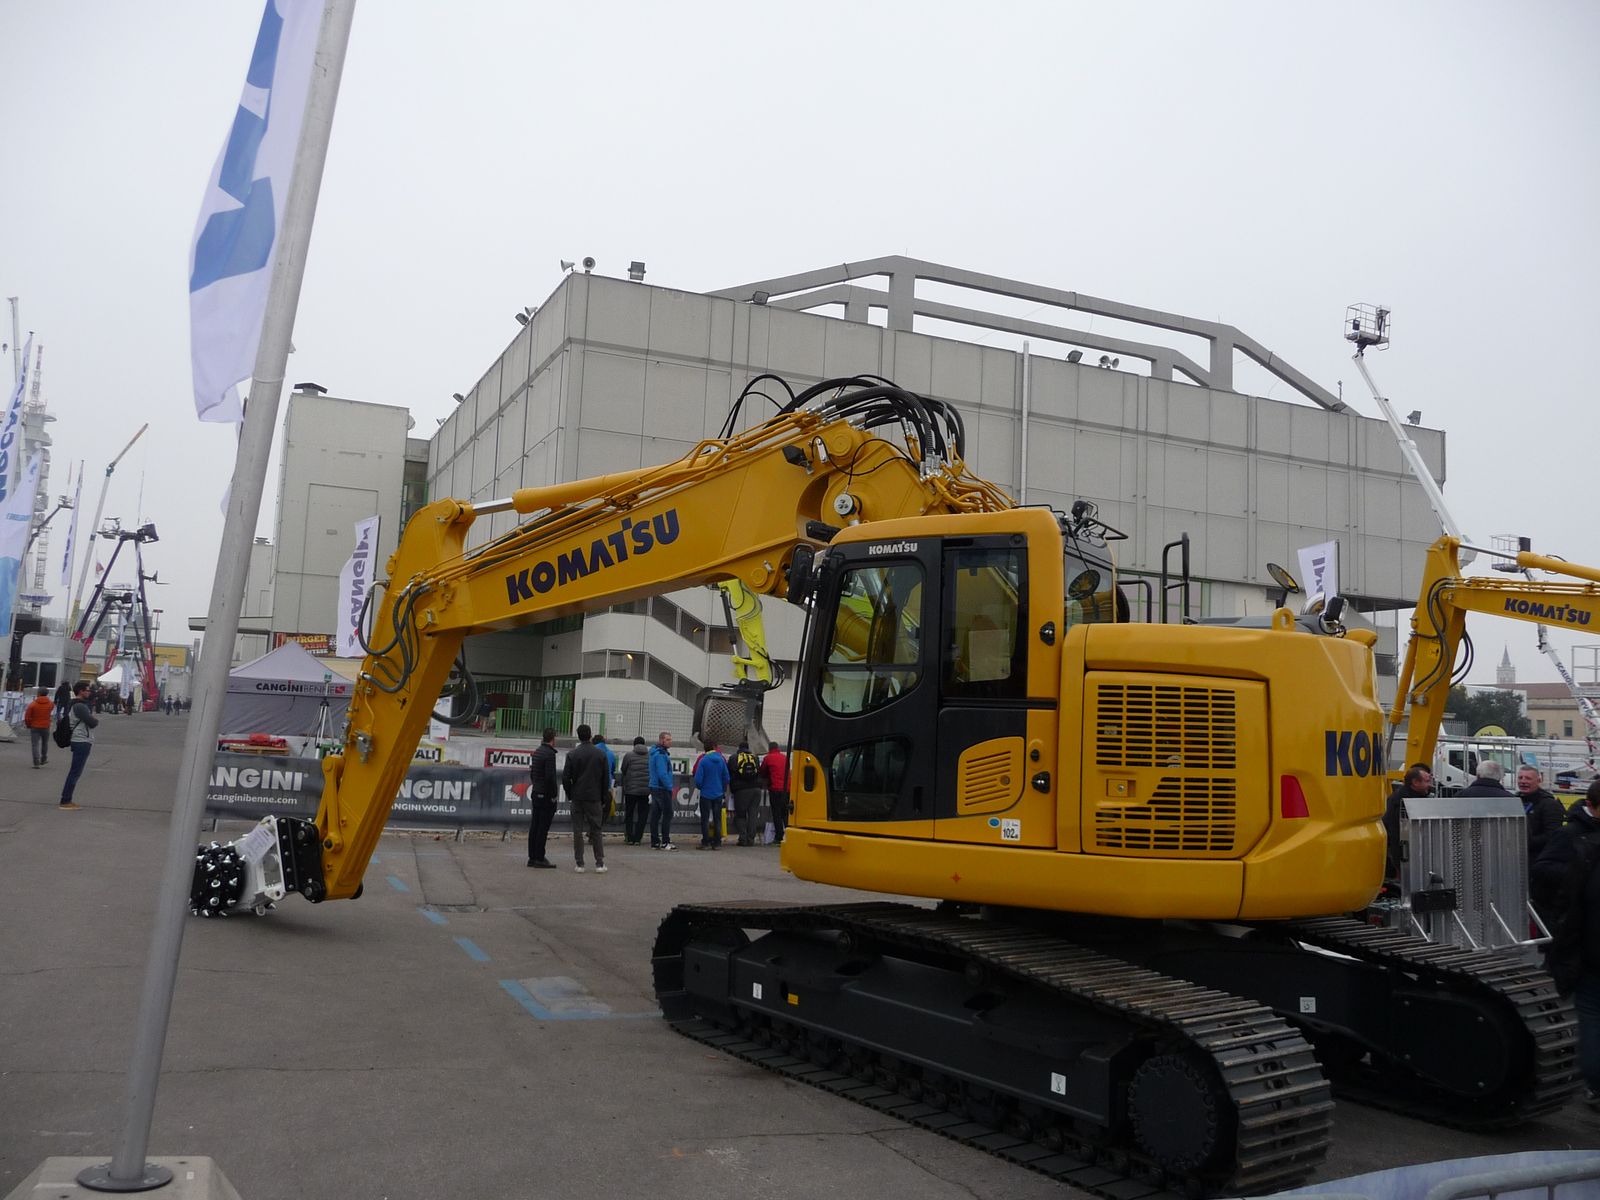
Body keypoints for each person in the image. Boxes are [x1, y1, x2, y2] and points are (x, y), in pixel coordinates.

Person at [1531, 780, 1600, 1108]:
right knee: (1588, 1011)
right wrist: (1576, 878)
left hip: (1584, 939)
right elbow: (1543, 872)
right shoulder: (1570, 834)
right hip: (1583, 943)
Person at [562, 723, 609, 873]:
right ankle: (599, 863)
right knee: (596, 830)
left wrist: (570, 794)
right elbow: (605, 779)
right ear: (590, 735)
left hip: (577, 796)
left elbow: (565, 778)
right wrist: (603, 798)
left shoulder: (572, 754)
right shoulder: (600, 754)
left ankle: (580, 863)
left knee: (577, 830)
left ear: (578, 736)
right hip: (594, 797)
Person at [1383, 763, 1433, 882]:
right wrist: (1400, 863)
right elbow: (1398, 834)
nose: (1430, 785)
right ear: (1415, 782)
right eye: (1427, 781)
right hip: (1402, 855)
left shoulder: (1410, 797)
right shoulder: (1402, 803)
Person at [1516, 765, 1567, 871]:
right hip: (1517, 857)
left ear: (1538, 781)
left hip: (1538, 860)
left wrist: (1525, 842)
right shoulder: (1515, 800)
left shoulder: (1549, 804)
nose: (1523, 781)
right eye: (1520, 778)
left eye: (1528, 778)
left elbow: (1553, 835)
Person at [59, 681, 99, 810]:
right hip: (81, 740)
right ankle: (66, 800)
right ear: (81, 691)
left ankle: (66, 799)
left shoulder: (75, 704)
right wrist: (94, 719)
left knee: (75, 771)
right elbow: (92, 722)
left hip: (79, 739)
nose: (89, 692)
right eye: (87, 690)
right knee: (75, 772)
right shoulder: (80, 706)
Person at [526, 727, 559, 868]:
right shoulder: (550, 754)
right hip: (545, 794)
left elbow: (533, 773)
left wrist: (536, 785)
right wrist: (553, 794)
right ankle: (540, 857)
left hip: (536, 792)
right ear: (553, 739)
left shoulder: (538, 751)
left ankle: (532, 857)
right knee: (543, 827)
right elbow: (550, 777)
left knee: (535, 825)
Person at [693, 739, 730, 850]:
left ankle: (706, 842)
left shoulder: (703, 760)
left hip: (706, 793)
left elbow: (698, 779)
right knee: (717, 818)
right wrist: (721, 788)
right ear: (714, 747)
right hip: (718, 793)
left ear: (705, 748)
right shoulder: (721, 760)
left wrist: (701, 787)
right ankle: (717, 842)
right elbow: (726, 777)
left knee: (705, 819)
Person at [729, 740, 763, 846]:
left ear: (739, 748)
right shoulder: (755, 758)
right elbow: (759, 772)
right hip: (756, 790)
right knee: (753, 814)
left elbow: (729, 772)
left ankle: (743, 839)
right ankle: (751, 839)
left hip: (741, 790)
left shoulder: (734, 758)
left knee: (741, 815)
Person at [619, 736, 652, 845]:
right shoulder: (650, 756)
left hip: (631, 790)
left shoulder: (628, 755)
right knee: (643, 814)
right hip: (645, 790)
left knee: (629, 813)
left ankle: (629, 838)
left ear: (634, 744)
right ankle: (638, 838)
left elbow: (623, 769)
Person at [648, 730, 677, 850]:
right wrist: (669, 786)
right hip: (662, 788)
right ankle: (665, 841)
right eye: (667, 739)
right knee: (667, 813)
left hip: (655, 786)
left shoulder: (655, 752)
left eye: (670, 739)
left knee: (655, 815)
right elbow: (662, 773)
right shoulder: (661, 754)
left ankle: (655, 841)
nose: (670, 742)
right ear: (661, 740)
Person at [761, 741, 790, 846]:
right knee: (785, 813)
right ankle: (790, 836)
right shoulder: (785, 757)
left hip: (775, 789)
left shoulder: (768, 758)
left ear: (769, 749)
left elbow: (762, 771)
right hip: (787, 789)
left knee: (777, 814)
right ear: (777, 748)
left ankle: (778, 838)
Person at [24, 687, 54, 768]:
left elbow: (27, 717)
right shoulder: (50, 704)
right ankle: (43, 758)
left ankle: (36, 762)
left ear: (39, 693)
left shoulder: (33, 704)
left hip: (35, 726)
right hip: (46, 726)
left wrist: (28, 725)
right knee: (45, 743)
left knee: (35, 744)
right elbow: (50, 710)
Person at [594, 734, 618, 824]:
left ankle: (594, 827)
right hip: (607, 787)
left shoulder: (591, 752)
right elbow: (613, 769)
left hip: (593, 787)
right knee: (605, 809)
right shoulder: (610, 753)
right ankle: (599, 826)